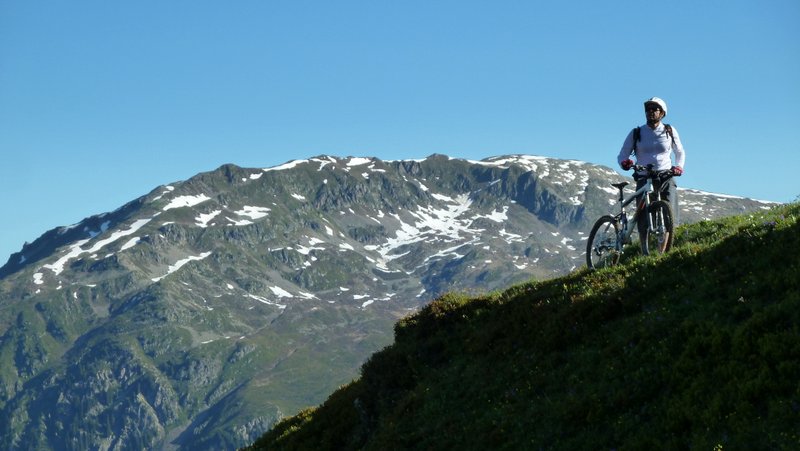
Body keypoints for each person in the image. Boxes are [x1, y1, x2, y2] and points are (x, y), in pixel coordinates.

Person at [617, 96, 686, 224]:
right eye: (648, 109)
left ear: (662, 113)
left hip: (666, 176)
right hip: (644, 178)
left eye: (655, 109)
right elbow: (622, 155)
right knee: (643, 220)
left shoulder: (669, 130)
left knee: (669, 218)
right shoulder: (637, 132)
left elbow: (680, 152)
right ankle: (644, 243)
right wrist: (624, 163)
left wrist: (679, 166)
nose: (651, 111)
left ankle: (666, 244)